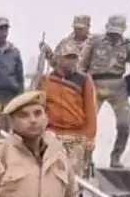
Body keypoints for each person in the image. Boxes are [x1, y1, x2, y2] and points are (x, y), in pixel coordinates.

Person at [78, 15, 130, 168]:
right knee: (88, 124)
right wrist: (79, 85)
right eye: (111, 32)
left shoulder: (128, 45)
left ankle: (116, 157)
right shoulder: (95, 42)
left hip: (118, 85)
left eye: (117, 32)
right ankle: (86, 158)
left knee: (124, 124)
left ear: (123, 29)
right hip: (95, 84)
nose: (113, 35)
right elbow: (82, 66)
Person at [39, 39, 97, 180]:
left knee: (73, 179)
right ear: (58, 58)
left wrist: (90, 138)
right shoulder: (46, 80)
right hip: (51, 135)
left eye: (74, 57)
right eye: (68, 57)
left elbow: (91, 111)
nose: (72, 61)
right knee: (50, 176)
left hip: (76, 137)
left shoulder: (84, 80)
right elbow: (39, 108)